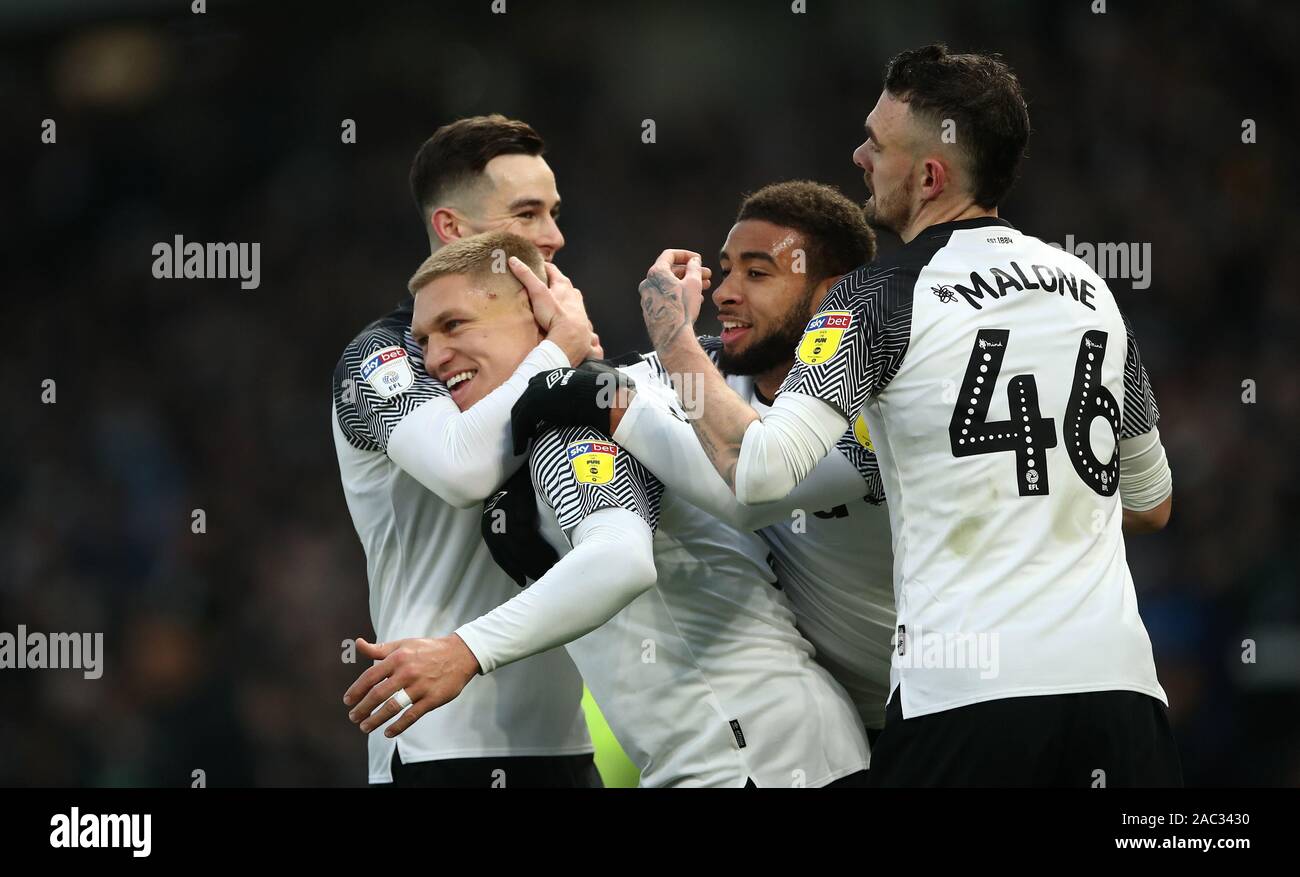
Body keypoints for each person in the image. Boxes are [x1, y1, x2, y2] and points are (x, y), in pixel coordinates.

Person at [635, 45, 1180, 787]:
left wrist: (672, 336)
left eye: (877, 144)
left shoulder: (880, 298)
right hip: (1123, 697)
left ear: (930, 175)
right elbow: (1151, 502)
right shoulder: (1090, 292)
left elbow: (760, 471)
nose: (859, 156)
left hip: (967, 702)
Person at [345, 231, 871, 787]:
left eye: (455, 325)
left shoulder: (573, 424)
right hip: (731, 753)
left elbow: (620, 559)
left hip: (760, 756)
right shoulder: (581, 407)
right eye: (423, 339)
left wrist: (463, 651)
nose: (433, 357)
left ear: (535, 310)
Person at [513, 180, 896, 735]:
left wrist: (668, 340)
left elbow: (747, 490)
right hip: (838, 721)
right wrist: (529, 484)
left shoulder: (876, 408)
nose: (724, 294)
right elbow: (582, 388)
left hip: (930, 710)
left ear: (831, 295)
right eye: (727, 270)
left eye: (758, 274)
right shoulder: (710, 368)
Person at [333, 115, 600, 787]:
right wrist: (558, 356)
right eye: (528, 213)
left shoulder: (553, 350)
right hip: (437, 743)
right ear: (454, 229)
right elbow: (463, 469)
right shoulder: (385, 356)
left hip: (566, 741)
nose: (555, 235)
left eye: (555, 211)